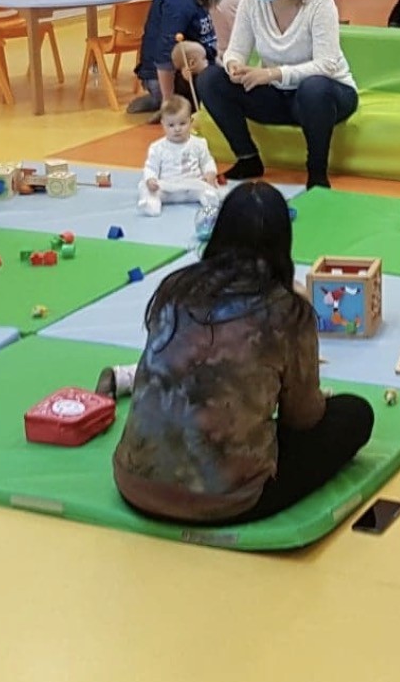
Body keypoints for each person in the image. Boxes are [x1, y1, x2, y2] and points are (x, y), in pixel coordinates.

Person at [113, 183, 375, 525]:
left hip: (134, 482)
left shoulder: (176, 287)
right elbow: (304, 418)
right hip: (226, 499)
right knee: (355, 413)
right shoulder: (287, 311)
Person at [195, 0, 358, 190]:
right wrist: (234, 65)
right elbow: (235, 49)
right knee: (210, 79)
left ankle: (316, 172)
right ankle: (247, 158)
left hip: (328, 95)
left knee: (313, 88)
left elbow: (327, 64)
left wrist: (272, 74)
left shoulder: (319, 2)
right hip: (278, 97)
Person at [128, 0, 222, 117]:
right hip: (166, 76)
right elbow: (165, 51)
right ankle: (163, 99)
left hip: (191, 68)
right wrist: (168, 101)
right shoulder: (178, 0)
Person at [140, 96, 221, 217]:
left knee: (208, 188)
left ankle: (209, 200)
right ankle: (151, 204)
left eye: (182, 123)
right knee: (145, 187)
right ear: (163, 124)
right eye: (171, 125)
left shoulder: (199, 143)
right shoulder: (157, 147)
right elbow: (151, 167)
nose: (177, 129)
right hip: (167, 188)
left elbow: (207, 161)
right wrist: (150, 179)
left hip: (192, 186)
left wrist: (210, 173)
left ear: (191, 122)